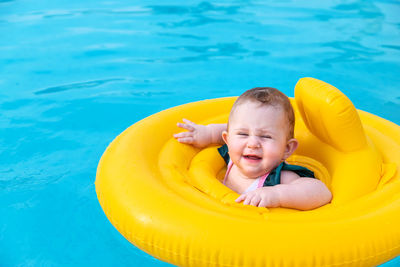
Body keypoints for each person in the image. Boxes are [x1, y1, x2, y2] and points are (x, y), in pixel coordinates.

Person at [174, 87, 332, 210]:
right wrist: (207, 133)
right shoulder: (231, 156)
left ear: (287, 149)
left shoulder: (278, 179)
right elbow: (231, 130)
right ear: (227, 140)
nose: (252, 143)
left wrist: (277, 195)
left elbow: (321, 192)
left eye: (266, 137)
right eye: (243, 134)